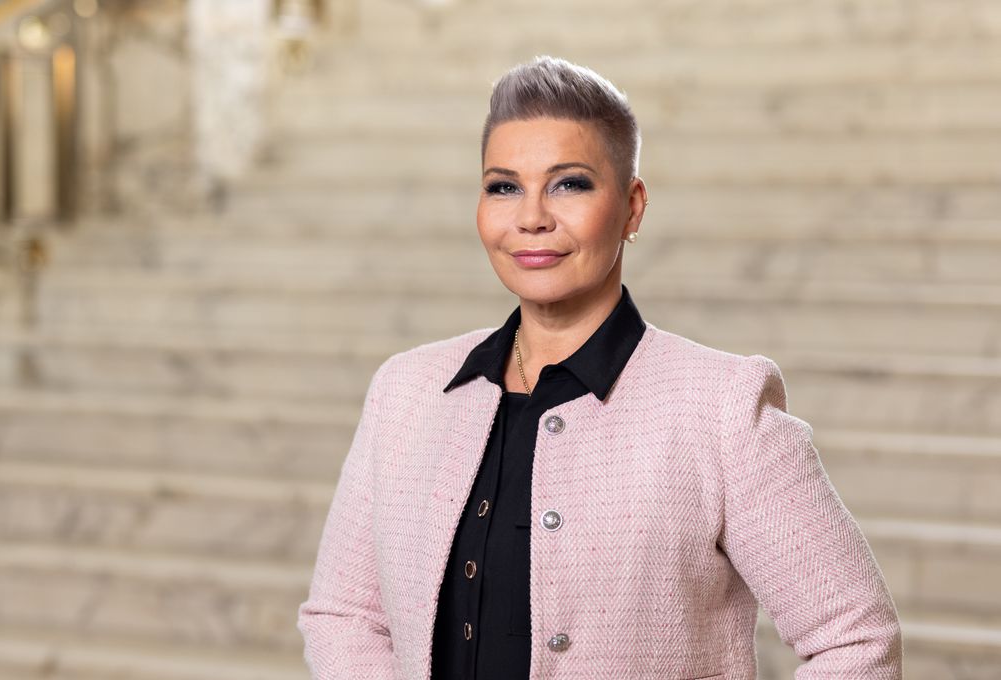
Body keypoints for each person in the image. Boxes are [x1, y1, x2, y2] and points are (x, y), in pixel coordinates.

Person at [296, 54, 903, 680]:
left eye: (569, 184)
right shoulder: (406, 390)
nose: (531, 217)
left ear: (632, 207)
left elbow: (856, 640)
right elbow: (344, 614)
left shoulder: (722, 407)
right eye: (503, 186)